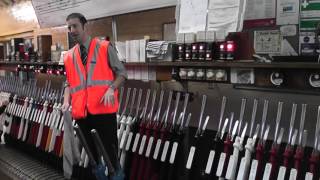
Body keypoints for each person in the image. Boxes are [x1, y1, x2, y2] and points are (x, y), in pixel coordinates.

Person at [62, 13, 127, 179]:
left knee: (110, 154)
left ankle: (116, 175)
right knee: (92, 157)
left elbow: (122, 73)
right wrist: (65, 100)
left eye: (75, 26)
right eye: (69, 27)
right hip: (82, 113)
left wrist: (112, 88)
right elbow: (68, 82)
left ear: (85, 26)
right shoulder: (69, 56)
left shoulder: (104, 47)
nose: (72, 30)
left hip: (103, 112)